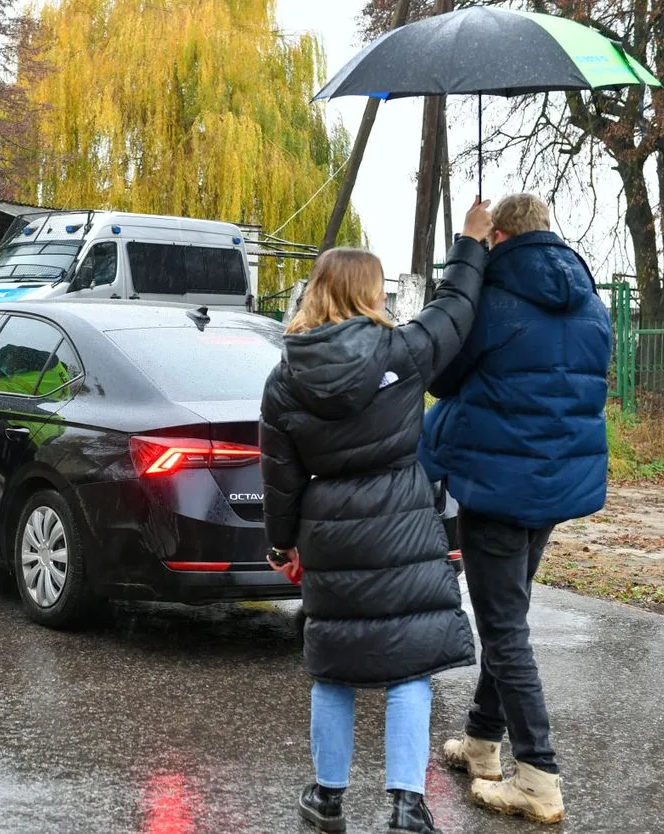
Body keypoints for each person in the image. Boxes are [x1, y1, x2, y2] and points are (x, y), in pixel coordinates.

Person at [261, 200, 494, 834]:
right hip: (401, 520)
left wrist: (281, 545)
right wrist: (470, 241)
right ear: (370, 292)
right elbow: (455, 310)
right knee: (407, 668)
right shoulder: (404, 352)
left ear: (317, 292)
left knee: (334, 665)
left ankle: (327, 798)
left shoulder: (284, 378)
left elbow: (279, 476)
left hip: (329, 529)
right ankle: (405, 806)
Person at [420, 194, 611, 825]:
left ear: (498, 236)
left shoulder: (491, 299)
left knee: (504, 628)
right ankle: (480, 740)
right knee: (510, 613)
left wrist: (465, 257)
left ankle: (538, 777)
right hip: (557, 483)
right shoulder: (590, 301)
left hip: (498, 482)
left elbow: (439, 376)